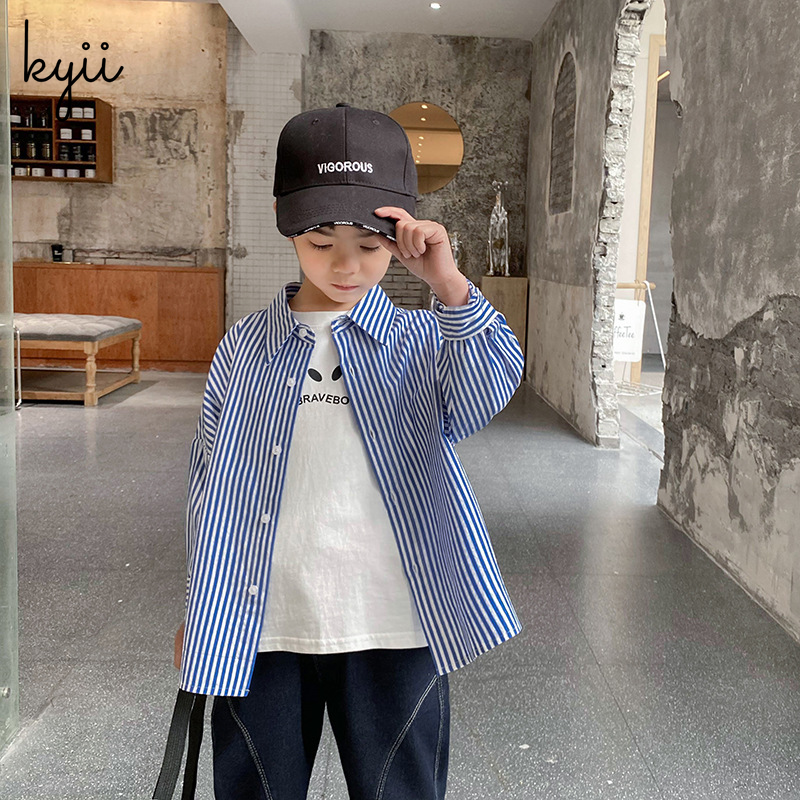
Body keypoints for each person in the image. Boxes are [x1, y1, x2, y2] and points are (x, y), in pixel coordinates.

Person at [153, 102, 524, 800]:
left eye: (371, 245)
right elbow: (209, 489)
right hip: (258, 626)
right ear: (284, 220)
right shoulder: (246, 348)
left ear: (403, 235)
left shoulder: (421, 340)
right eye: (322, 241)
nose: (347, 265)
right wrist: (200, 606)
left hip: (396, 623)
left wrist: (448, 284)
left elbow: (488, 387)